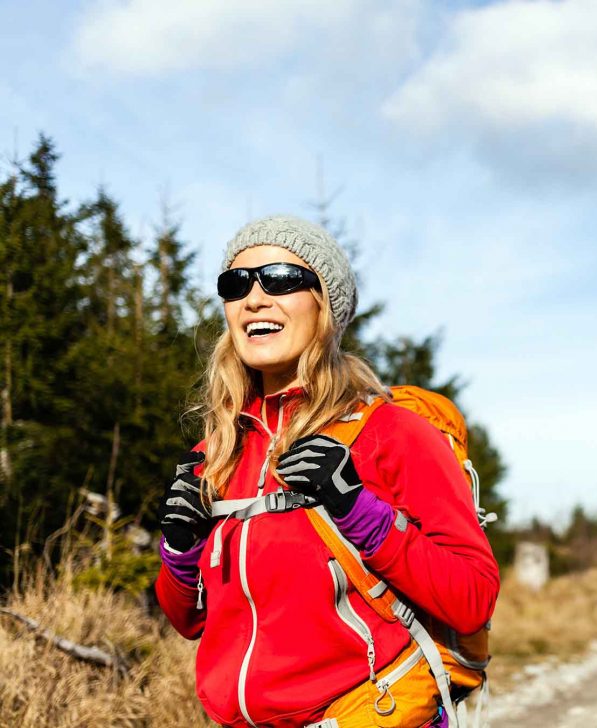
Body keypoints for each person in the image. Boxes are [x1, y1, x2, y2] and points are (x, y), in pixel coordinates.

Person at [154, 215, 499, 727]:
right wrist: (180, 552)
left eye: (281, 279)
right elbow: (189, 621)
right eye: (236, 284)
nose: (254, 299)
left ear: (327, 307)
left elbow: (472, 597)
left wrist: (361, 512)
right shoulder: (218, 452)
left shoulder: (391, 433)